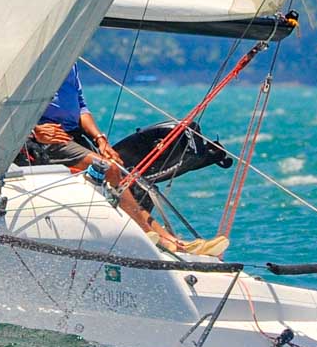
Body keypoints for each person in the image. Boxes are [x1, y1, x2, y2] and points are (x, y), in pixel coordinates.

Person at [19, 64, 209, 255]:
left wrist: (100, 139)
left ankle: (171, 240)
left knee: (127, 178)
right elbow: (6, 109)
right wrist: (33, 130)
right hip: (45, 140)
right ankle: (149, 235)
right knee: (108, 168)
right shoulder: (30, 61)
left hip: (73, 135)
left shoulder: (69, 62)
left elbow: (81, 108)